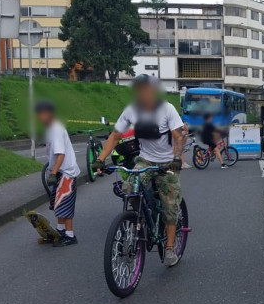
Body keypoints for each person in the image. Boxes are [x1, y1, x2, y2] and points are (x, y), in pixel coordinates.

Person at [93, 74, 186, 266]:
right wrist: (100, 160)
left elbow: (178, 136)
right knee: (129, 189)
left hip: (168, 162)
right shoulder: (132, 110)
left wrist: (177, 158)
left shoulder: (167, 109)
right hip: (145, 160)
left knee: (169, 206)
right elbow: (115, 136)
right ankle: (138, 219)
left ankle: (169, 248)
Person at [36, 100, 80, 246]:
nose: (40, 117)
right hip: (60, 172)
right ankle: (60, 231)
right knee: (58, 203)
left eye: (43, 113)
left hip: (66, 173)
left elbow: (60, 154)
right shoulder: (50, 128)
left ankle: (70, 235)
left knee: (65, 204)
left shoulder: (56, 130)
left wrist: (53, 173)